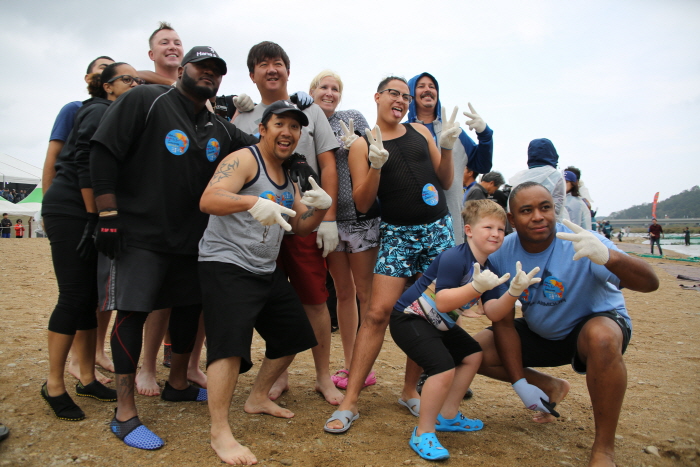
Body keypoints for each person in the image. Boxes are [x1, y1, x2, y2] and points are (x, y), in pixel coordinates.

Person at [90, 46, 258, 450]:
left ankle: (179, 383)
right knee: (132, 314)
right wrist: (108, 215)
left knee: (188, 312)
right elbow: (103, 151)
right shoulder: (147, 100)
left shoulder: (218, 125)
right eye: (201, 67)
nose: (209, 75)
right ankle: (125, 414)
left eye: (216, 71)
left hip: (191, 241)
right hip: (140, 235)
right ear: (182, 70)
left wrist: (299, 162)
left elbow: (257, 145)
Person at [473, 181, 659, 467]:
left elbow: (650, 283)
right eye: (526, 210)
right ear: (512, 219)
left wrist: (609, 257)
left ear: (555, 210)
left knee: (602, 339)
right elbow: (504, 324)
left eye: (545, 207)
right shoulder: (500, 254)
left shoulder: (581, 239)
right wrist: (520, 383)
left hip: (593, 326)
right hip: (542, 331)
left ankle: (604, 448)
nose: (538, 216)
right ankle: (549, 386)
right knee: (471, 352)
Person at [324, 76, 461, 433]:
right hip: (398, 235)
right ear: (377, 98)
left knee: (426, 312)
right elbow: (363, 202)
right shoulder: (361, 145)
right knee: (377, 313)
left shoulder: (420, 131)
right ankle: (350, 402)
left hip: (437, 231)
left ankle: (408, 392)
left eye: (405, 95)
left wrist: (445, 147)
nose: (400, 100)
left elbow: (445, 181)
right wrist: (376, 165)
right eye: (393, 94)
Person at [199, 100, 331, 466]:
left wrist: (320, 208)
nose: (287, 132)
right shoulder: (245, 159)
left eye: (294, 127)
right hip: (225, 262)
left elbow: (300, 226)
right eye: (280, 124)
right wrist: (250, 201)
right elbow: (209, 199)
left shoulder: (289, 178)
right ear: (263, 128)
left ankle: (257, 397)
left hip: (263, 267)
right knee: (228, 347)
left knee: (294, 334)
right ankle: (219, 432)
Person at [233, 41, 343, 405]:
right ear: (252, 74)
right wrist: (234, 115)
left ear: (288, 70)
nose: (271, 70)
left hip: (303, 218)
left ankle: (323, 375)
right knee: (267, 299)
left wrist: (328, 217)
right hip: (259, 223)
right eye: (262, 64)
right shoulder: (244, 116)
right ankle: (276, 376)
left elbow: (327, 163)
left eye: (277, 63)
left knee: (314, 298)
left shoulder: (309, 112)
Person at [40, 61, 141, 422]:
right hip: (72, 209)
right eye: (127, 79)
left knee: (87, 298)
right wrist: (95, 217)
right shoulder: (98, 110)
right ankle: (53, 384)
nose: (134, 83)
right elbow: (85, 161)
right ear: (107, 86)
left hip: (84, 211)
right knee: (72, 296)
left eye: (137, 79)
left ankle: (86, 378)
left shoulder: (116, 113)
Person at [391, 199, 521, 460]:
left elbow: (494, 312)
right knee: (442, 366)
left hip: (438, 323)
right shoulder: (454, 257)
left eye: (501, 229)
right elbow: (443, 301)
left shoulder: (490, 268)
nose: (496, 234)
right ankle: (423, 432)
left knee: (472, 354)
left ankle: (448, 415)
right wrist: (476, 288)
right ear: (470, 230)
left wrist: (514, 293)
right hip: (409, 318)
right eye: (488, 227)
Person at [308, 70, 379, 390]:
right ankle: (350, 364)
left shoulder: (351, 117)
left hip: (362, 217)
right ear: (312, 91)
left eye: (335, 88)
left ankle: (365, 366)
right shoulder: (306, 122)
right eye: (323, 87)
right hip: (331, 220)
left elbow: (376, 149)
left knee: (365, 293)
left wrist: (359, 143)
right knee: (344, 293)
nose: (329, 92)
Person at [407, 72, 493, 244]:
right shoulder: (402, 132)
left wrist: (485, 134)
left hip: (450, 223)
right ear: (410, 94)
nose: (428, 90)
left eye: (432, 86)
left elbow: (482, 165)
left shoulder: (455, 132)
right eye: (421, 86)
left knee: (451, 269)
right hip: (413, 223)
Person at [42, 56, 114, 195]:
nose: (108, 73)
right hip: (72, 195)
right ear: (88, 78)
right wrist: (47, 203)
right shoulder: (74, 108)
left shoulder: (121, 115)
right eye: (103, 68)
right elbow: (53, 155)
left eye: (112, 69)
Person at [509, 138, 568, 221]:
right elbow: (558, 207)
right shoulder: (555, 175)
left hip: (524, 227)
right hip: (549, 227)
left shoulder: (521, 177)